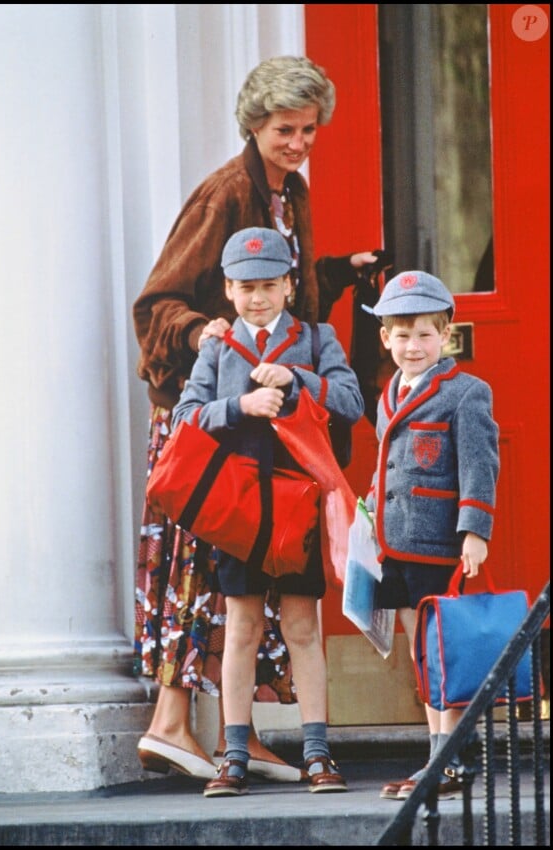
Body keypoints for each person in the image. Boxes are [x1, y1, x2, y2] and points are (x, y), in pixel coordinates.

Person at [132, 54, 382, 782]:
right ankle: (173, 723)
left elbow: (288, 296)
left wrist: (338, 271)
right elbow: (160, 304)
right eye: (284, 129)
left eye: (308, 129)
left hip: (270, 426)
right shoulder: (224, 194)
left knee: (252, 587)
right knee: (203, 570)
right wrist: (199, 334)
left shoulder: (290, 192)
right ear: (253, 123)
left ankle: (239, 736)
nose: (299, 142)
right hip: (212, 422)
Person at [170, 226, 363, 797]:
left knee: (304, 627)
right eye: (246, 287)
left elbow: (351, 401)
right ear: (228, 290)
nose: (258, 298)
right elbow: (186, 416)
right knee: (242, 630)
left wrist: (298, 380)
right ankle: (234, 754)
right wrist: (240, 405)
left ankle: (318, 754)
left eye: (269, 286)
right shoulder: (218, 347)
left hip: (298, 505)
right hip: (239, 512)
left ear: (287, 287)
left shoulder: (316, 338)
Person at [362, 270, 499, 801]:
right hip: (395, 543)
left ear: (445, 335)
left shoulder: (466, 393)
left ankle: (455, 755)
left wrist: (475, 531)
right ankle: (436, 753)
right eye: (402, 335)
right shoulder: (388, 394)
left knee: (446, 649)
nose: (413, 346)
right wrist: (367, 520)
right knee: (421, 656)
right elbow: (386, 469)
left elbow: (480, 465)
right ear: (385, 339)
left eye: (424, 334)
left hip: (439, 543)